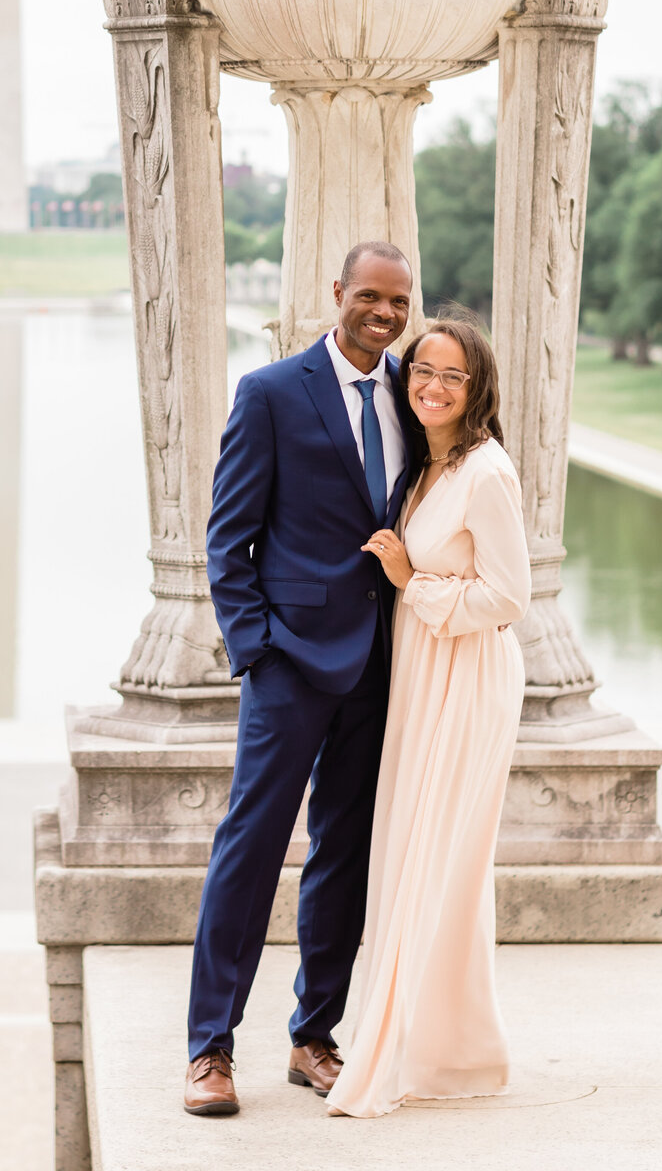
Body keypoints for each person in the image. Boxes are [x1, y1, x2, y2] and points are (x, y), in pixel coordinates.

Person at [184, 241, 416, 1117]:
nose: (385, 314)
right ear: (337, 295)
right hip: (290, 666)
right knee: (248, 851)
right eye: (370, 297)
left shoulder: (410, 394)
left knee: (343, 856)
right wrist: (258, 649)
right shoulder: (273, 392)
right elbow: (227, 538)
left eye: (398, 301)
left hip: (382, 666)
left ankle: (314, 1036)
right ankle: (209, 1050)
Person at [325, 310, 531, 1118]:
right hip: (423, 674)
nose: (434, 386)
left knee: (438, 861)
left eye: (453, 375)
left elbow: (509, 598)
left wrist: (414, 581)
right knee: (412, 850)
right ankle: (440, 1047)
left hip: (470, 680)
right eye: (423, 372)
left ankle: (430, 1053)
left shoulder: (487, 471)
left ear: (476, 387)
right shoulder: (424, 469)